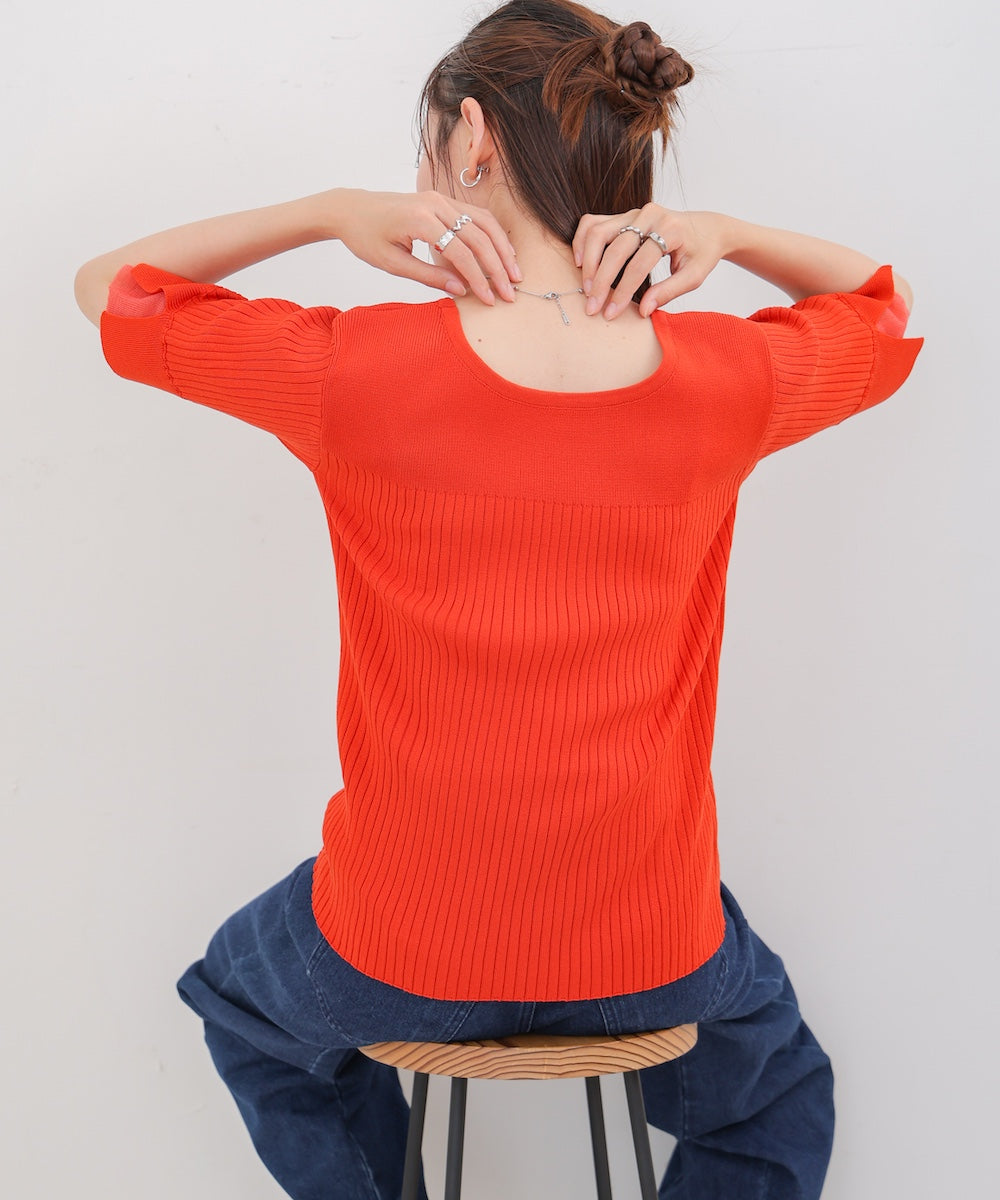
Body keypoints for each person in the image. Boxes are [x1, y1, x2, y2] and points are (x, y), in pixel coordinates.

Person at [73, 1, 923, 1197]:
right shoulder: (731, 375)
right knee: (772, 1089)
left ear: (471, 137)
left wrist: (328, 210)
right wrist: (721, 236)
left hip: (399, 946)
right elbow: (884, 306)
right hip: (646, 944)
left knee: (243, 1003)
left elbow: (110, 288)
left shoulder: (348, 369)